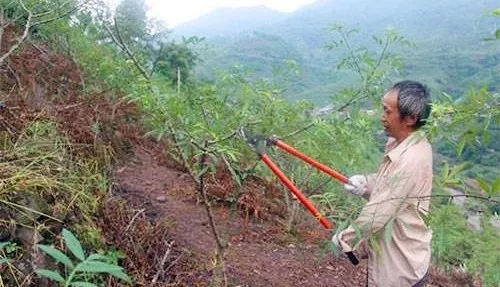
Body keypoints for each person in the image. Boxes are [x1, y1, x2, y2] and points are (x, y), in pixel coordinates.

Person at [332, 80, 433, 287]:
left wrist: (345, 239)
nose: (382, 117)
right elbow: (388, 184)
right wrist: (366, 184)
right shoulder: (400, 144)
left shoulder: (411, 159)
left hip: (401, 269)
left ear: (410, 118)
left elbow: (379, 212)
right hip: (394, 256)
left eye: (388, 112)